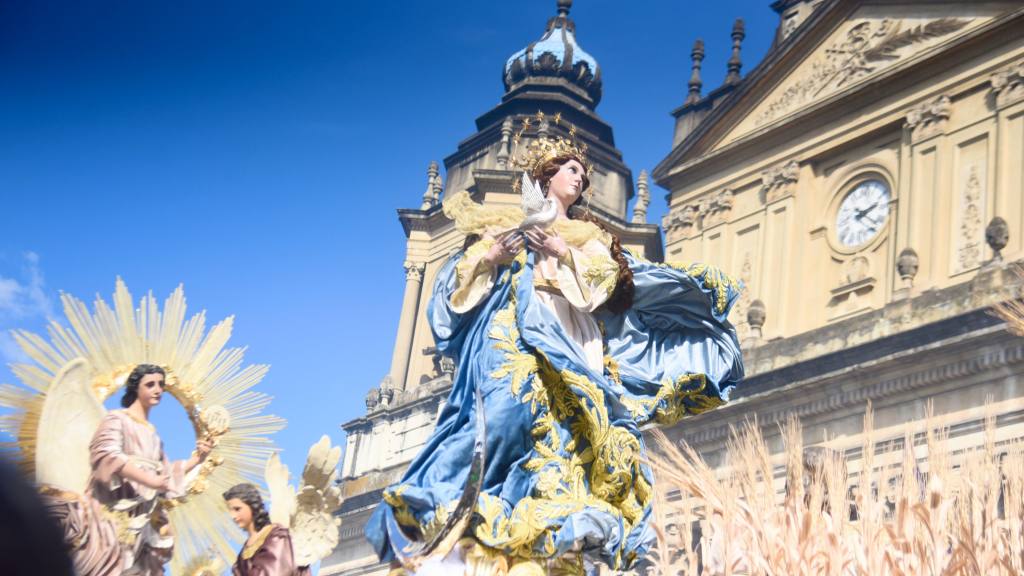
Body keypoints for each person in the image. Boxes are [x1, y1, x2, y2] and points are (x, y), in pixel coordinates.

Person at [365, 135, 744, 571]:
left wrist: (562, 251)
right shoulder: (505, 220)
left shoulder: (588, 235)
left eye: (583, 175)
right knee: (502, 412)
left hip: (566, 334)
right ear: (547, 176)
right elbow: (459, 278)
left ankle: (529, 510)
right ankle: (458, 495)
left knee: (564, 430)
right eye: (571, 170)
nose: (579, 180)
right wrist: (493, 256)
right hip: (514, 328)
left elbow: (607, 281)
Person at [83, 363, 212, 575]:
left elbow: (165, 473)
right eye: (150, 384)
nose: (158, 390)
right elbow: (106, 455)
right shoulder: (117, 418)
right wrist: (148, 480)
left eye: (161, 384)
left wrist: (197, 459)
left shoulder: (152, 433)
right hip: (115, 510)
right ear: (136, 388)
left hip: (144, 515)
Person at [223, 483, 311, 576]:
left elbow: (278, 570)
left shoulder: (277, 536)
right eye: (230, 511)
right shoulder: (243, 553)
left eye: (237, 509)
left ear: (252, 505)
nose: (233, 516)